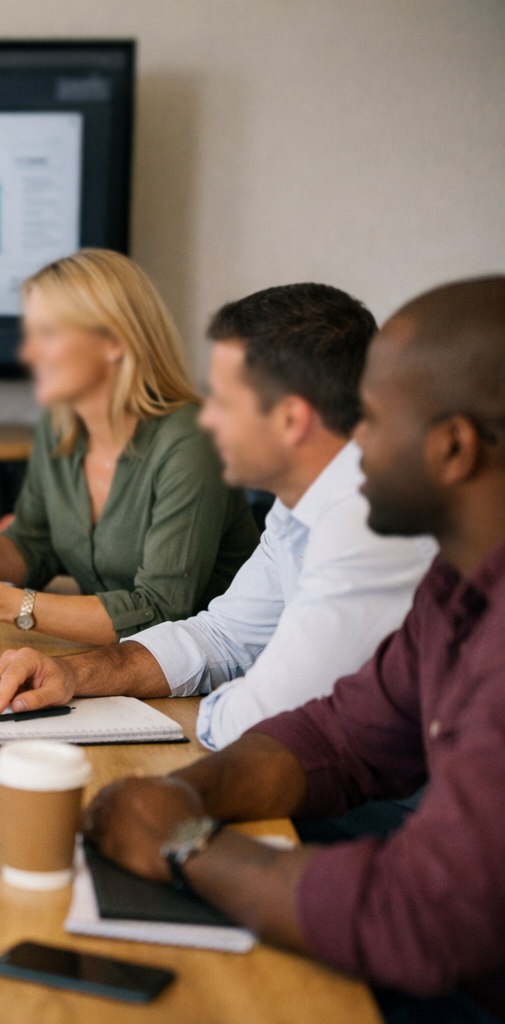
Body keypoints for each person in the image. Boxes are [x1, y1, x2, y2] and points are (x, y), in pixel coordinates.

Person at [83, 277, 505, 1023]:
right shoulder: (455, 587)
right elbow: (340, 734)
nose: (355, 442)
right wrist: (191, 793)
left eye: (372, 419)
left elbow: (425, 918)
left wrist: (185, 845)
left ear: (452, 448)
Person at [0, 284, 437, 751]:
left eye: (223, 402)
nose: (207, 420)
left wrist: (223, 701)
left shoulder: (368, 523)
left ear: (290, 420)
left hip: (386, 812)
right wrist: (74, 673)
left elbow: (260, 719)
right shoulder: (299, 504)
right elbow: (221, 638)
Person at [0, 249, 259, 646]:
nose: (27, 353)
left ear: (115, 342)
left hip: (204, 678)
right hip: (118, 665)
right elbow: (31, 550)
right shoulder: (60, 428)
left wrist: (3, 603)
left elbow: (160, 611)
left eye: (49, 333)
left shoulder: (191, 440)